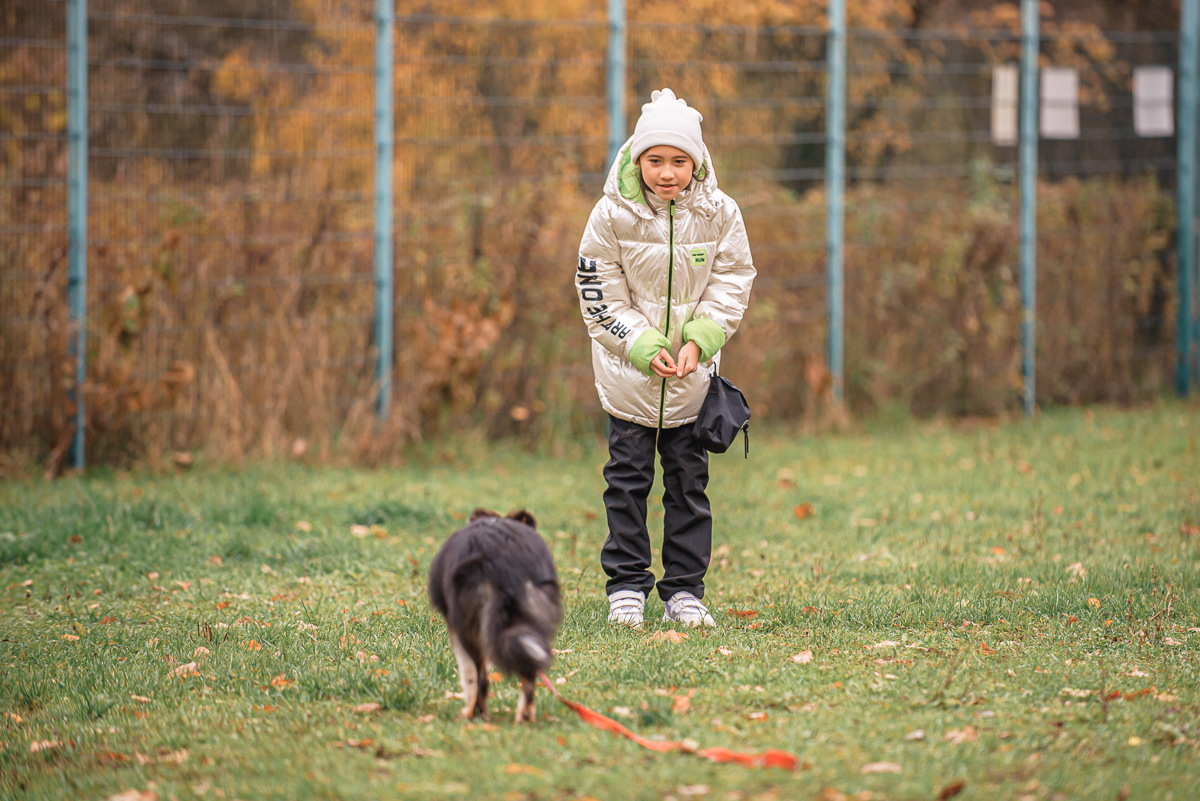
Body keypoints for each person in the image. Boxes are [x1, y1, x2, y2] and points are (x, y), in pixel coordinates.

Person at [575, 88, 756, 628]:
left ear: (696, 162)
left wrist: (699, 341)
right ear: (637, 159)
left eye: (679, 161)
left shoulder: (721, 214)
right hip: (628, 376)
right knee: (626, 483)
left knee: (687, 486)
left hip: (692, 380)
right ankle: (627, 587)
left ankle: (684, 591)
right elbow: (598, 289)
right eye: (655, 160)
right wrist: (642, 345)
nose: (667, 172)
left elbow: (732, 280)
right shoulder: (610, 215)